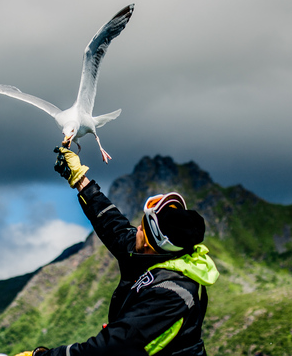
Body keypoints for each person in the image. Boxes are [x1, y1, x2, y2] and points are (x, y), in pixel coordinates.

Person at [18, 147, 219, 356]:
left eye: (142, 227)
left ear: (151, 243)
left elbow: (110, 349)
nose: (136, 229)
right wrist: (80, 180)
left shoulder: (171, 293)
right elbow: (114, 225)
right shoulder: (153, 254)